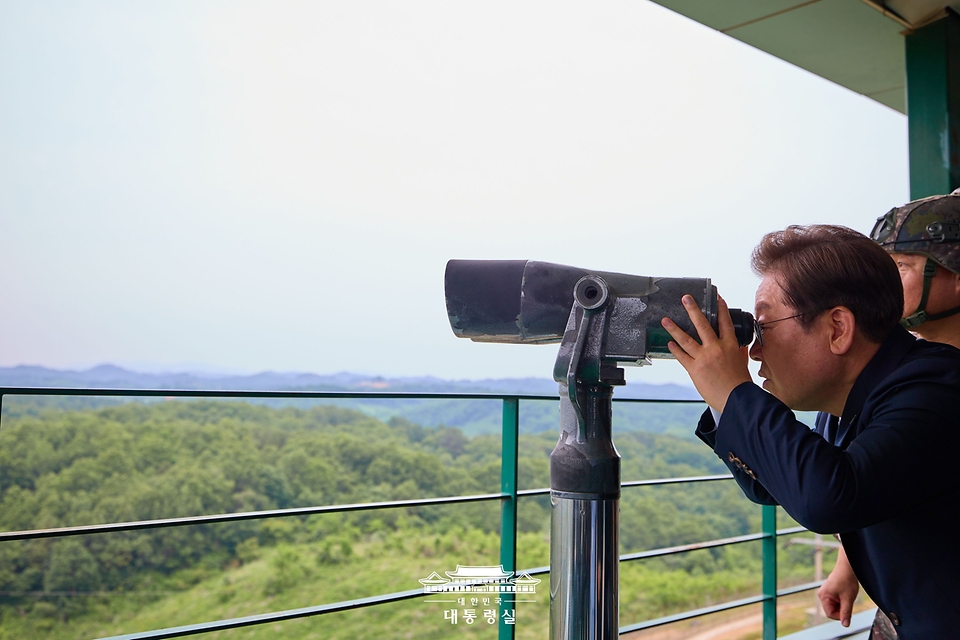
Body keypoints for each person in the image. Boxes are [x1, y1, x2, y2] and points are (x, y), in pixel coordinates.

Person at [660, 224, 960, 640]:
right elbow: (771, 485)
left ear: (837, 328)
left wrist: (734, 391)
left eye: (763, 327)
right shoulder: (846, 402)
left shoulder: (938, 387)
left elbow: (829, 498)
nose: (754, 349)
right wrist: (722, 395)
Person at [818, 192, 960, 637]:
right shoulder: (899, 371)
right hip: (911, 610)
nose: (882, 285)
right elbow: (883, 472)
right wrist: (850, 566)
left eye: (900, 268)